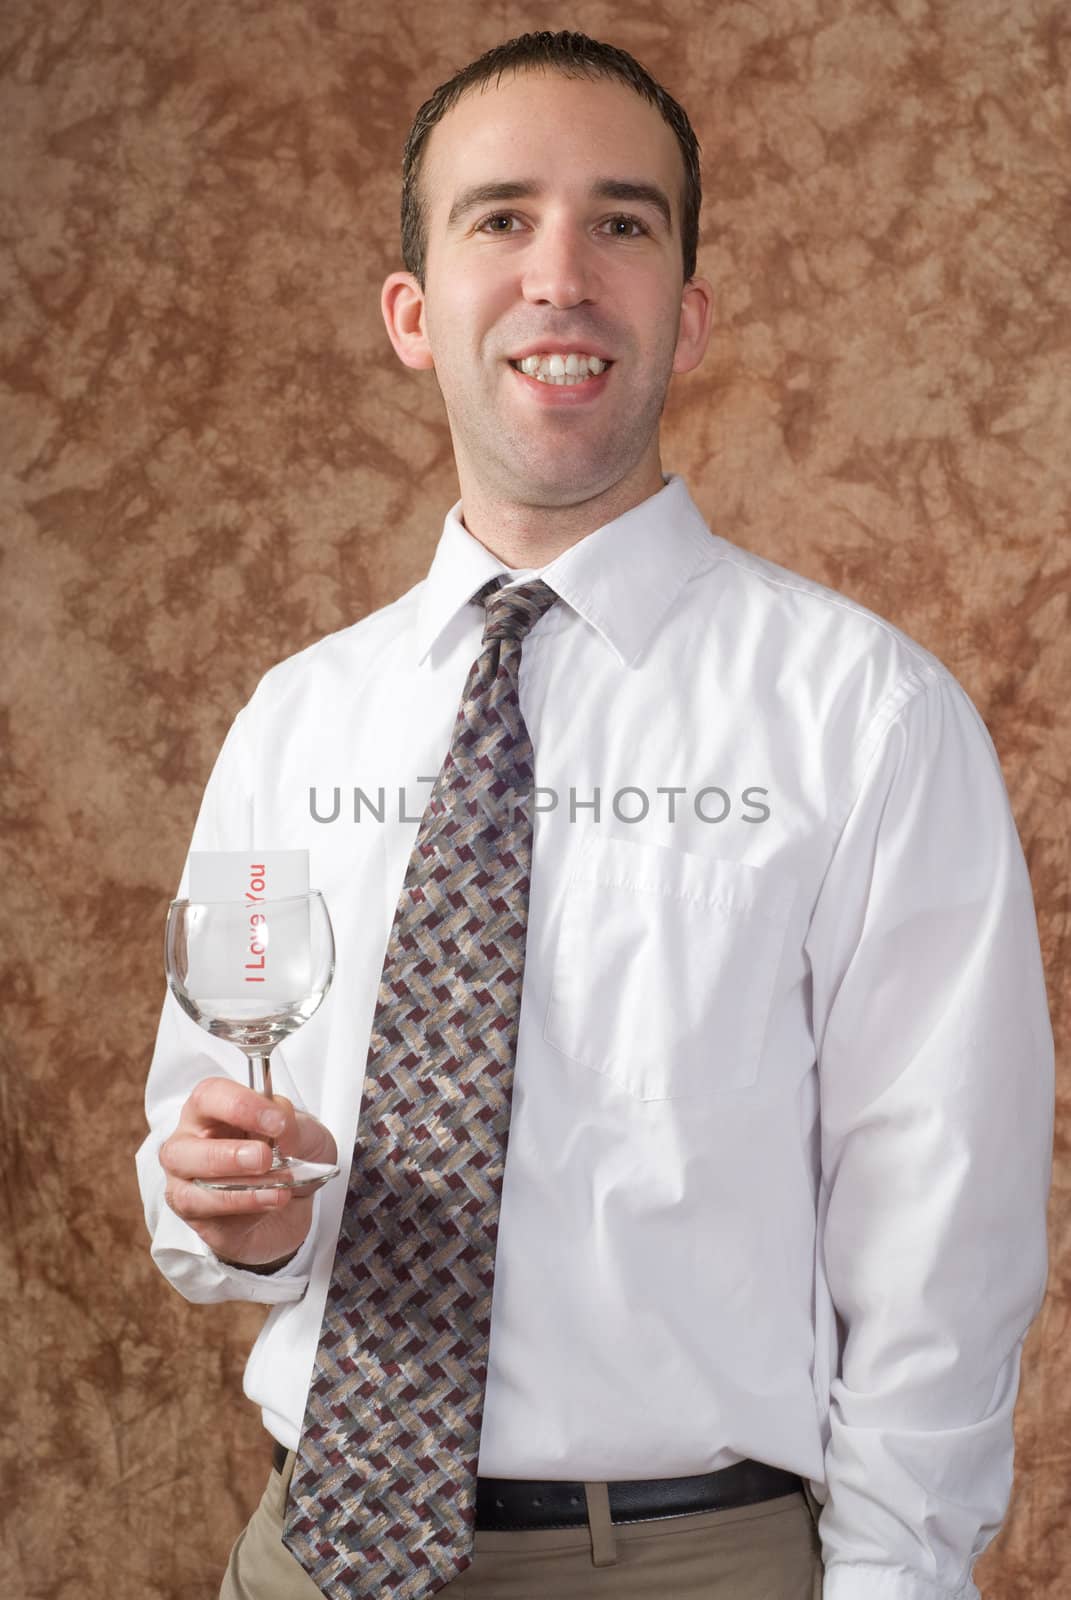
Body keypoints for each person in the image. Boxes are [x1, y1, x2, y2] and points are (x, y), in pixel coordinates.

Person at [136, 28, 1055, 1600]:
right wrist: (236, 1210)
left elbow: (942, 1231)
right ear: (413, 316)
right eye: (500, 218)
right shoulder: (300, 719)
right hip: (313, 1552)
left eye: (621, 224)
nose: (560, 275)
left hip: (691, 1562)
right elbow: (211, 1146)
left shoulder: (867, 720)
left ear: (687, 317)